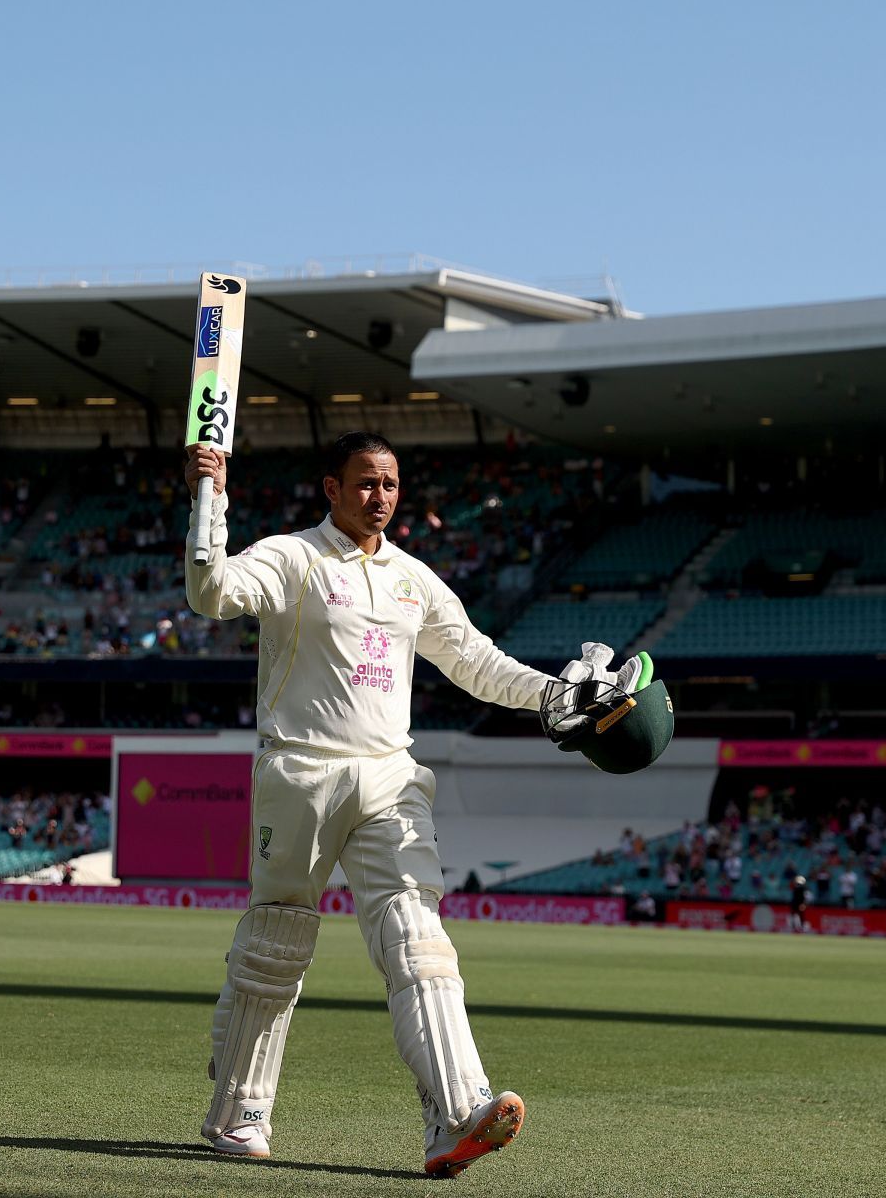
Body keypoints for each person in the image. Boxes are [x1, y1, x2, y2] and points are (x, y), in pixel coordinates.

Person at [183, 431, 632, 1178]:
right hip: (300, 772)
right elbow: (211, 593)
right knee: (275, 948)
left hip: (390, 777)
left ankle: (457, 1113)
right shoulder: (293, 557)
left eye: (390, 483)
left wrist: (558, 693)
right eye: (364, 483)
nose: (380, 497)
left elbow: (475, 661)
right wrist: (211, 498)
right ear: (331, 487)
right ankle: (238, 1114)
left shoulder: (411, 577)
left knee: (418, 937)